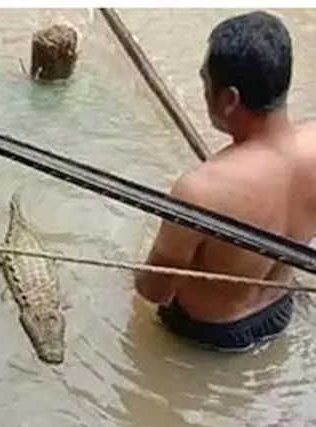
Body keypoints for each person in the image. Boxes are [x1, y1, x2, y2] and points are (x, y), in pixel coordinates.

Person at [134, 11, 316, 353]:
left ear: (229, 98)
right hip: (279, 310)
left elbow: (154, 291)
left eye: (205, 81)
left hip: (208, 333)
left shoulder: (200, 190)